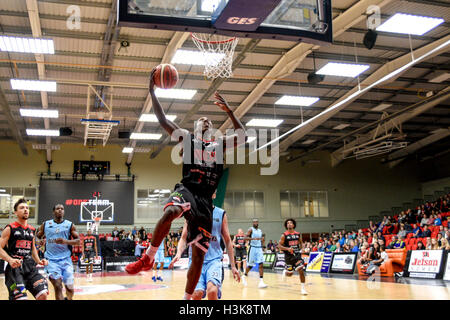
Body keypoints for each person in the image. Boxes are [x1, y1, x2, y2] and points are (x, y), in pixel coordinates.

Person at [125, 68, 246, 300]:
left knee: (198, 255)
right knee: (172, 210)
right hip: (188, 190)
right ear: (194, 129)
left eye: (209, 120)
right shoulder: (188, 141)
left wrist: (230, 111)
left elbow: (243, 136)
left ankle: (187, 299)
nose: (205, 121)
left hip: (205, 203)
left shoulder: (220, 147)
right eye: (200, 120)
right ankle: (148, 257)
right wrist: (152, 92)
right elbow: (162, 120)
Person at [169, 202, 240, 300]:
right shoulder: (191, 213)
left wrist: (233, 266)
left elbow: (228, 240)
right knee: (197, 293)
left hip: (214, 260)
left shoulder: (221, 213)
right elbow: (184, 238)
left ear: (214, 194)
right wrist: (178, 253)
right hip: (196, 261)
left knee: (212, 290)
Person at [0, 198, 49, 300]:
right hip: (15, 269)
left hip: (30, 267)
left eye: (27, 208)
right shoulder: (10, 228)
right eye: (22, 208)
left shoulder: (32, 230)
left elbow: (33, 249)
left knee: (43, 294)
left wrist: (39, 261)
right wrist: (10, 259)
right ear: (15, 212)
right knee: (21, 298)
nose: (26, 210)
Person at [36, 204, 79, 300]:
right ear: (53, 211)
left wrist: (65, 241)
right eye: (57, 208)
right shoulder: (46, 224)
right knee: (58, 286)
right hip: (51, 261)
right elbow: (37, 236)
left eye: (62, 209)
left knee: (70, 288)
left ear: (64, 211)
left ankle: (69, 298)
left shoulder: (70, 225)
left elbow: (78, 241)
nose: (60, 210)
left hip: (66, 260)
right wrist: (40, 241)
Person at [278, 218, 307, 295]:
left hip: (297, 255)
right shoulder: (284, 235)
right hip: (288, 257)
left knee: (301, 270)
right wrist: (287, 248)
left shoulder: (297, 234)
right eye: (287, 223)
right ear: (286, 225)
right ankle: (285, 271)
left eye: (290, 223)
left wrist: (303, 248)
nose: (289, 224)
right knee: (290, 274)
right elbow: (279, 246)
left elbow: (301, 243)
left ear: (293, 225)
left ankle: (303, 289)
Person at [242, 218, 267, 288]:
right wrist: (253, 239)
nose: (255, 223)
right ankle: (244, 276)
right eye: (254, 222)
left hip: (259, 248)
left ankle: (261, 282)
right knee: (250, 265)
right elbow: (245, 238)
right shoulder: (250, 229)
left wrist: (263, 245)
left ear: (258, 223)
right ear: (252, 223)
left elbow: (262, 239)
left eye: (256, 222)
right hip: (252, 248)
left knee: (261, 264)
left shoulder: (260, 231)